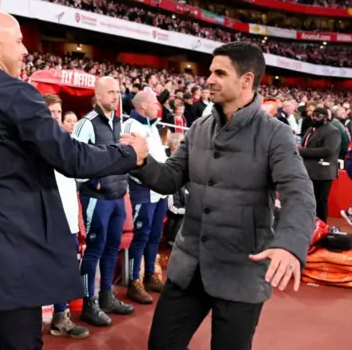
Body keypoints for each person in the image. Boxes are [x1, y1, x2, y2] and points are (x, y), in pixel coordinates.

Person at [0, 9, 147, 350]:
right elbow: (71, 157)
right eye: (19, 41)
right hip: (9, 258)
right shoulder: (15, 93)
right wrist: (130, 155)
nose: (26, 50)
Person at [126, 42, 316, 350]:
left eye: (220, 73)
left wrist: (290, 244)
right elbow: (171, 177)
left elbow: (300, 193)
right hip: (189, 268)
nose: (209, 79)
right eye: (210, 71)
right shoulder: (199, 127)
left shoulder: (275, 134)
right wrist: (143, 163)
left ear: (246, 80)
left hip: (241, 272)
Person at [73, 76, 135, 326]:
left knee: (112, 248)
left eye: (117, 92)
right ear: (98, 96)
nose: (115, 96)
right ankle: (88, 304)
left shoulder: (120, 123)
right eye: (110, 92)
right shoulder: (86, 123)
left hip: (118, 196)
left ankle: (107, 297)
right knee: (95, 250)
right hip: (97, 198)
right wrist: (93, 180)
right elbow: (74, 158)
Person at [44, 93, 90, 339]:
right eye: (50, 112)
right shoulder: (35, 142)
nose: (55, 117)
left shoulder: (67, 141)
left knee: (66, 267)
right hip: (47, 219)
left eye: (58, 113)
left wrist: (77, 218)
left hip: (69, 217)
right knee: (44, 269)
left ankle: (61, 317)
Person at [122, 91, 168, 305]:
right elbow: (132, 160)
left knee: (155, 234)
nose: (157, 106)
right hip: (143, 189)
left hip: (159, 190)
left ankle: (149, 274)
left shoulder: (151, 125)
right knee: (141, 235)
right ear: (142, 106)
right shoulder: (131, 126)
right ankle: (134, 281)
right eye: (153, 103)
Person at [299, 108, 341, 222]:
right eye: (313, 115)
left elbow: (328, 151)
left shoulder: (333, 131)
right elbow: (305, 145)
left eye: (318, 116)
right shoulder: (310, 129)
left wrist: (301, 151)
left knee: (320, 201)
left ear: (326, 118)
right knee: (308, 200)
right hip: (308, 170)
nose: (314, 118)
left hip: (323, 172)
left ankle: (322, 225)